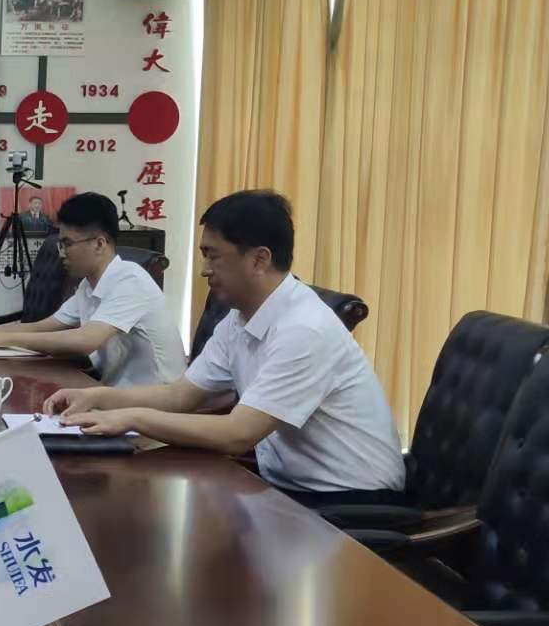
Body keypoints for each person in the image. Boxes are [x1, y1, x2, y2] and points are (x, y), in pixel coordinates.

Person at [44, 190, 405, 505]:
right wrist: (98, 397)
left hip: (346, 499)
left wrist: (131, 418)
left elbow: (238, 434)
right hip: (286, 486)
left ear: (259, 259)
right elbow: (181, 395)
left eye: (213, 256)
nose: (204, 270)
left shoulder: (305, 329)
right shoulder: (239, 318)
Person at [0, 192, 182, 386]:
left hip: (155, 401)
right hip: (112, 392)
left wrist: (6, 339)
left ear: (99, 244)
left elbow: (85, 341)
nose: (61, 253)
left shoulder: (130, 280)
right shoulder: (88, 284)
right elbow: (44, 327)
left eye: (67, 244)